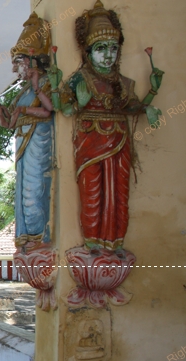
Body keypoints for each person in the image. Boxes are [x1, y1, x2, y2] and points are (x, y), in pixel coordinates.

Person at [48, 0, 164, 254]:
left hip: (119, 141)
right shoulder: (81, 78)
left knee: (119, 193)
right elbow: (63, 109)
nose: (108, 54)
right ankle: (92, 242)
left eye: (113, 48)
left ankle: (115, 242)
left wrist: (151, 96)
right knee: (92, 193)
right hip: (90, 142)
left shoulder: (123, 82)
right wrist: (66, 94)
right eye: (101, 48)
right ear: (88, 51)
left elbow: (131, 107)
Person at [0, 12, 54, 251]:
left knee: (35, 192)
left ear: (32, 61)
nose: (14, 69)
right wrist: (2, 113)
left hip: (39, 143)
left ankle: (38, 236)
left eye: (18, 62)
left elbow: (49, 110)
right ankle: (27, 238)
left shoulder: (45, 83)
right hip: (24, 145)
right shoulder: (22, 92)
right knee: (23, 193)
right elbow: (9, 124)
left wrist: (30, 101)